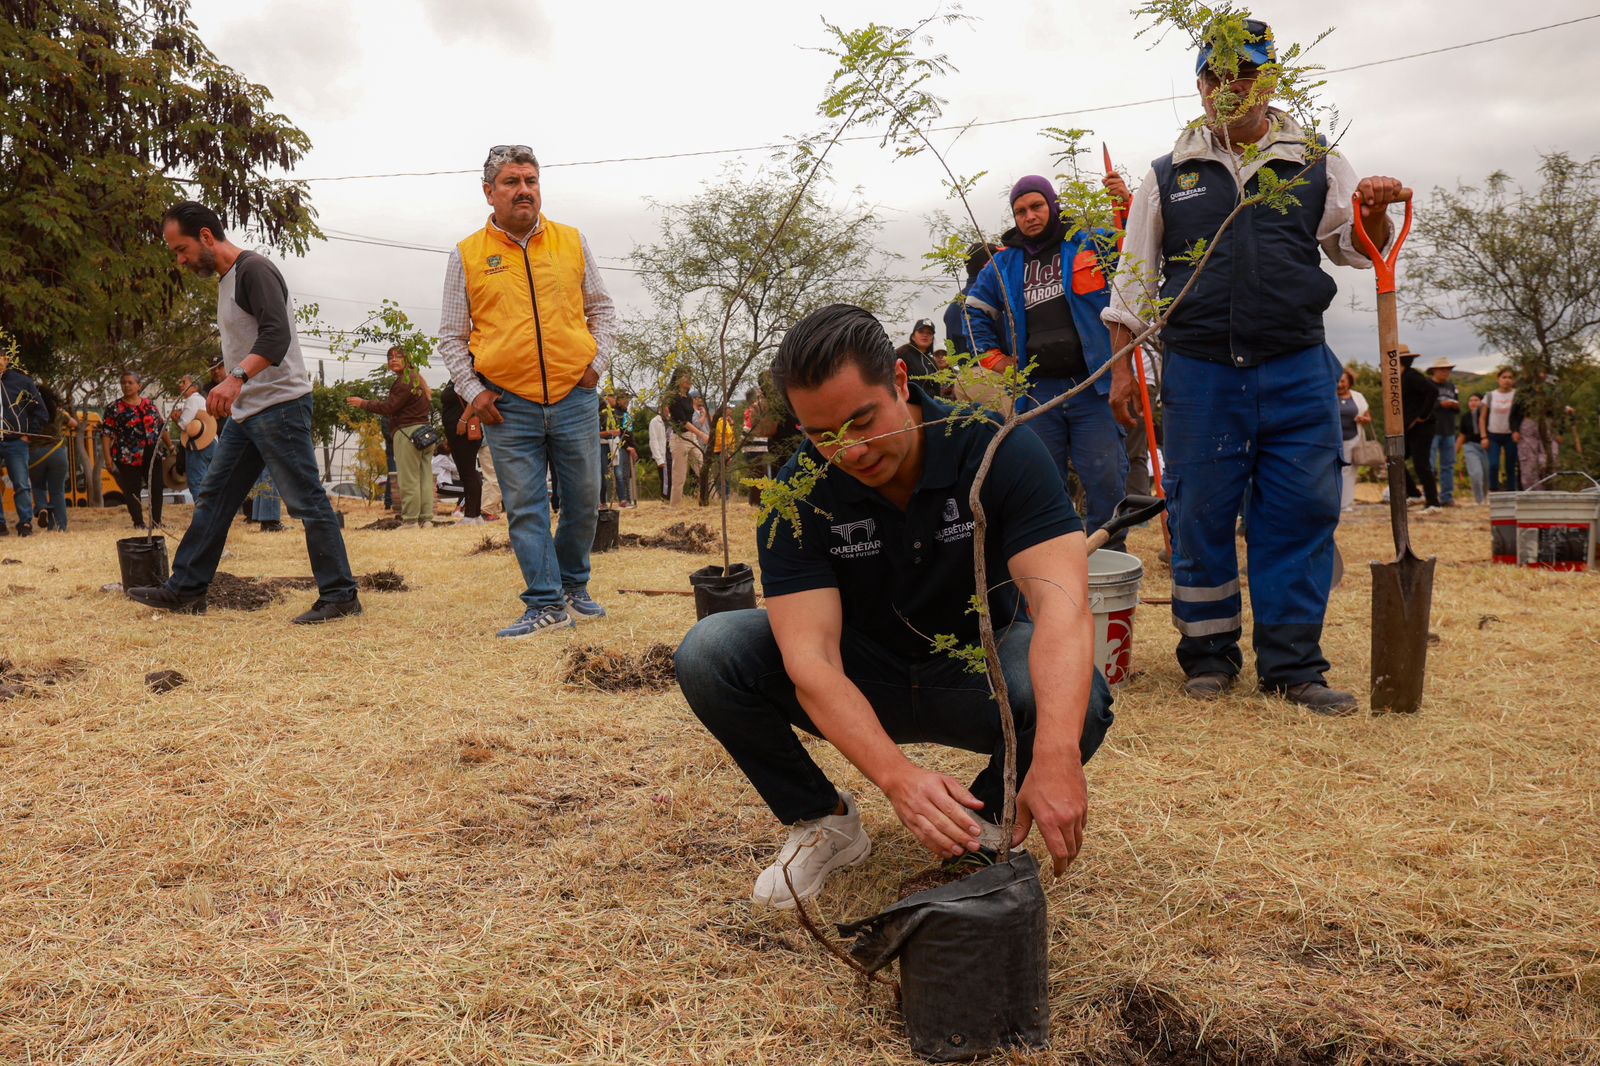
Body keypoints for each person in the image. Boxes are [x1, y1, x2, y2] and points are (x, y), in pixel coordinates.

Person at [675, 304, 1113, 909]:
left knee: (1079, 696)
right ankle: (824, 821)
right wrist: (897, 779)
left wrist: (1058, 753)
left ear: (901, 383)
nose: (850, 451)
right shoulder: (797, 495)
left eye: (862, 422)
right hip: (866, 673)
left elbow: (1062, 607)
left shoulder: (993, 449)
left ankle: (985, 827)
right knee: (711, 651)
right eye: (822, 436)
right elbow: (813, 663)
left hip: (976, 669)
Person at [1104, 17, 1411, 714]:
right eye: (1217, 76)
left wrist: (1376, 213)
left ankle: (1294, 667)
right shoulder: (1168, 175)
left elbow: (1359, 249)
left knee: (1300, 512)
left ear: (1270, 78)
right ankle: (1208, 658)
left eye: (1246, 73)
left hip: (1297, 365)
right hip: (1200, 370)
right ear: (1201, 85)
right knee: (1200, 513)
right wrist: (1124, 368)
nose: (1232, 88)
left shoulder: (1317, 160)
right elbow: (1132, 277)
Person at [127, 201, 360, 624]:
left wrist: (234, 377)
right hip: (249, 413)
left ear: (205, 237)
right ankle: (187, 590)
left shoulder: (254, 270)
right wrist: (227, 375)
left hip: (281, 406)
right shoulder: (227, 281)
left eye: (180, 249)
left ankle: (341, 595)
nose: (179, 261)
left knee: (306, 501)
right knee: (214, 497)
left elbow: (275, 336)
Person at [438, 144, 617, 637]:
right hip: (506, 405)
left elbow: (602, 309)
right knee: (525, 506)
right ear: (488, 192)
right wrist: (473, 391)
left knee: (583, 499)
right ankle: (545, 604)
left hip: (575, 397)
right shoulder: (468, 254)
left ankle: (573, 585)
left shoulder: (571, 241)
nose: (524, 190)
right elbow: (452, 335)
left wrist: (594, 367)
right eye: (512, 182)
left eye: (531, 181)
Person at [965, 174, 1129, 549]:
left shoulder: (1089, 241)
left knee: (1106, 480)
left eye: (1037, 206)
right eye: (1020, 211)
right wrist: (996, 361)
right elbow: (972, 311)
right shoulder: (1003, 264)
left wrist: (1125, 204)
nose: (1029, 216)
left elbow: (1136, 253)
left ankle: (1109, 562)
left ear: (1053, 206)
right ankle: (1058, 562)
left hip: (1092, 386)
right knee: (1044, 486)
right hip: (1037, 396)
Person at [350, 347, 435, 527]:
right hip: (425, 434)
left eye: (398, 356)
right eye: (390, 357)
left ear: (408, 359)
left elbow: (389, 407)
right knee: (424, 477)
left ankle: (411, 521)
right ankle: (426, 519)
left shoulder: (405, 380)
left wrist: (363, 403)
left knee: (408, 479)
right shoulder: (418, 379)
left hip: (409, 434)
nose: (393, 360)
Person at [102, 370, 166, 529]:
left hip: (152, 453)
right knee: (132, 491)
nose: (127, 386)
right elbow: (106, 433)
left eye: (130, 382)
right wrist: (107, 459)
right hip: (127, 455)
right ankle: (138, 523)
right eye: (124, 383)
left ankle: (157, 522)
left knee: (157, 488)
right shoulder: (114, 408)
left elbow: (161, 426)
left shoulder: (149, 405)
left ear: (139, 386)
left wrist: (170, 446)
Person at [0, 347, 46, 537]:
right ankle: (0, 525)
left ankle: (25, 523)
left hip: (16, 441)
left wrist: (29, 434)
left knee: (21, 482)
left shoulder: (22, 381)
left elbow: (41, 411)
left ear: (6, 359)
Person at [440, 379, 494, 524]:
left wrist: (463, 420)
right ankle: (473, 515)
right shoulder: (454, 379)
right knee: (467, 473)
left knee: (468, 472)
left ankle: (472, 515)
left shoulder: (468, 378)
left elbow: (475, 398)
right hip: (455, 432)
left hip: (464, 431)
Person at [28, 385, 76, 532]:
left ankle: (42, 507)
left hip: (36, 454)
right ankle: (60, 526)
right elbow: (74, 424)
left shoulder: (28, 413)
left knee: (38, 486)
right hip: (57, 452)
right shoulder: (58, 412)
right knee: (57, 491)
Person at [1399, 346, 1440, 511]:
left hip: (1422, 427)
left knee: (1421, 464)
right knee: (1394, 459)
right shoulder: (1399, 378)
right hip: (1408, 428)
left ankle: (1433, 503)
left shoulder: (1412, 376)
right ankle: (1414, 494)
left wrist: (1422, 416)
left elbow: (1433, 391)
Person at [172, 373, 217, 499]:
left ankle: (203, 513)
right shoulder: (202, 399)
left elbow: (184, 424)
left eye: (183, 382)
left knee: (196, 482)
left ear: (194, 387)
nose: (181, 385)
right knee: (210, 481)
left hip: (198, 445)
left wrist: (176, 420)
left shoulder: (192, 400)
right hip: (211, 441)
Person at [665, 370, 706, 505]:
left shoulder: (688, 398)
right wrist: (701, 434)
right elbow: (683, 422)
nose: (689, 380)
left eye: (690, 376)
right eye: (686, 377)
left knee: (703, 468)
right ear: (678, 380)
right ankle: (675, 507)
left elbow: (690, 420)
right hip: (679, 439)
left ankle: (707, 501)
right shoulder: (673, 398)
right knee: (679, 477)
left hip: (691, 437)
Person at [1479, 368, 1523, 492]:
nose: (1507, 380)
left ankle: (1511, 492)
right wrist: (1484, 437)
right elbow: (1482, 418)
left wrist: (1517, 431)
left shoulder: (1517, 395)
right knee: (1493, 465)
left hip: (1511, 435)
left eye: (1510, 377)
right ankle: (1494, 490)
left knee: (1511, 466)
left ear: (1513, 380)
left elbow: (1521, 415)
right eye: (1504, 377)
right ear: (1498, 379)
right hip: (1493, 435)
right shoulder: (1490, 395)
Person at [1335, 368, 1371, 514]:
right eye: (1337, 380)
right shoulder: (1327, 396)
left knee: (1348, 471)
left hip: (1352, 439)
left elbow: (1368, 418)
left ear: (1349, 382)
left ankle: (1345, 504)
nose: (1339, 384)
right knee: (1332, 471)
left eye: (1343, 381)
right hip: (1331, 441)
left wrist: (1363, 419)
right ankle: (1332, 502)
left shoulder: (1358, 397)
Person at [1426, 356, 1460, 507]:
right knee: (1430, 465)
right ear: (1434, 370)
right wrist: (1441, 405)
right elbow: (1425, 405)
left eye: (1448, 369)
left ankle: (1447, 497)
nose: (1445, 372)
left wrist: (1453, 405)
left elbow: (1458, 407)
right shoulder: (1428, 385)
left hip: (1449, 430)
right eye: (1442, 369)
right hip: (1432, 429)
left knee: (1448, 465)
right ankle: (1431, 498)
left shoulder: (1452, 387)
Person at [1458, 394, 1489, 505]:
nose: (1473, 402)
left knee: (1486, 475)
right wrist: (1455, 451)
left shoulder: (1487, 415)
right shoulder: (1465, 417)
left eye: (1476, 400)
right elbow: (1462, 435)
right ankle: (1479, 501)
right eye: (1470, 400)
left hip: (1486, 447)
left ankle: (1484, 497)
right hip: (1470, 447)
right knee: (1476, 474)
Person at [647, 407, 670, 502]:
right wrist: (659, 459)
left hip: (672, 452)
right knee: (664, 480)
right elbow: (653, 440)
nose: (667, 410)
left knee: (673, 479)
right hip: (662, 454)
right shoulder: (655, 421)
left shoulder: (672, 420)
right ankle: (664, 500)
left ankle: (672, 499)